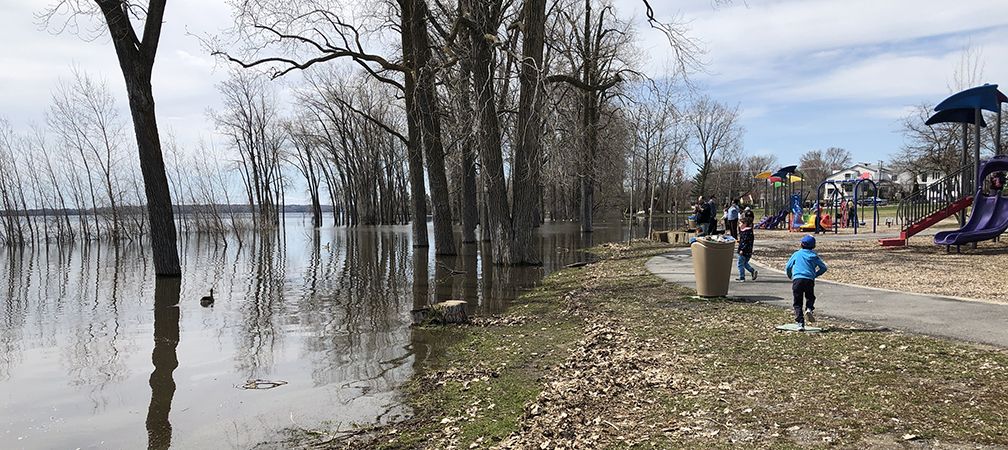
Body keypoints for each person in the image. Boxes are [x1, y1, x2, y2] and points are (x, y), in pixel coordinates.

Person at [785, 235, 828, 330]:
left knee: (797, 302)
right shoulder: (814, 255)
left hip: (797, 280)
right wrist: (815, 275)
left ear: (801, 244)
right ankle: (809, 309)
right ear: (814, 246)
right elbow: (824, 268)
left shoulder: (796, 254)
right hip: (809, 280)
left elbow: (788, 267)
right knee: (810, 296)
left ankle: (800, 323)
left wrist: (790, 275)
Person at [736, 217, 757, 281]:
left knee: (740, 264)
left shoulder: (746, 232)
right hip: (748, 251)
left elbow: (745, 242)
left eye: (740, 223)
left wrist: (742, 249)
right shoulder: (748, 232)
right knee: (744, 263)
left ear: (745, 224)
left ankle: (742, 277)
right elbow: (744, 241)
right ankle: (752, 271)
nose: (739, 225)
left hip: (744, 251)